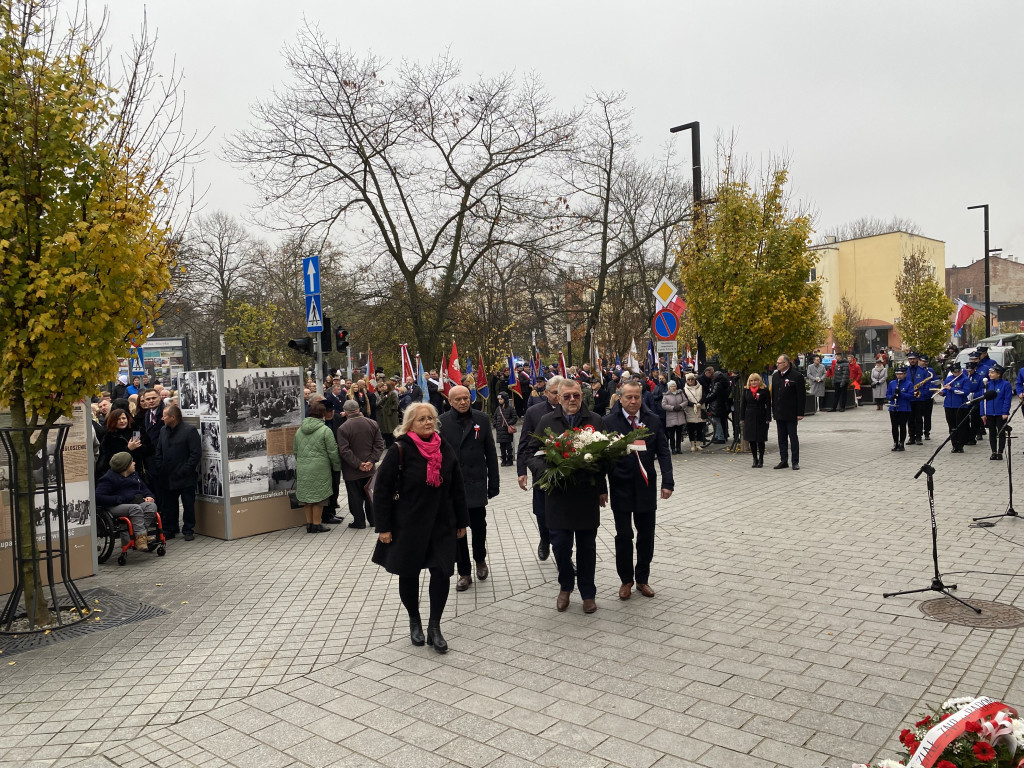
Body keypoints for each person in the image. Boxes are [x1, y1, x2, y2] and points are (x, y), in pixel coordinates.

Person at [371, 403, 469, 654]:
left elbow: (457, 486)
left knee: (441, 573)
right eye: (421, 419)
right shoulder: (399, 450)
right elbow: (381, 490)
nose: (427, 422)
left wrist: (462, 522)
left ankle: (434, 626)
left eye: (431, 418)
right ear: (410, 423)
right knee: (409, 573)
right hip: (408, 525)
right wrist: (383, 527)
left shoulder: (443, 447)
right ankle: (414, 619)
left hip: (442, 523)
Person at [524, 379, 607, 614]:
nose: (572, 400)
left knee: (587, 547)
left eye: (576, 396)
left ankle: (588, 593)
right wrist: (548, 471)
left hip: (585, 496)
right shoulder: (546, 421)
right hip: (557, 496)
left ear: (582, 396)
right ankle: (565, 586)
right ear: (558, 398)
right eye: (567, 396)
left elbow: (607, 455)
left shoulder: (595, 420)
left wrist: (602, 486)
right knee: (560, 547)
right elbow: (532, 452)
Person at [604, 380, 673, 600]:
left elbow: (663, 451)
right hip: (620, 487)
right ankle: (626, 580)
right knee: (624, 536)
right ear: (620, 398)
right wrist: (600, 487)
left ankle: (642, 579)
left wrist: (667, 482)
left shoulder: (652, 420)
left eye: (637, 397)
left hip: (645, 487)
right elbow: (601, 457)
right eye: (629, 397)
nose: (633, 401)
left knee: (646, 535)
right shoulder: (608, 422)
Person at [440, 386, 499, 592]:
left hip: (476, 483)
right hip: (454, 487)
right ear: (450, 401)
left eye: (466, 398)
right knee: (458, 532)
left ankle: (480, 560)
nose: (463, 402)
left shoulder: (481, 419)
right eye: (458, 399)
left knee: (478, 526)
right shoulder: (442, 422)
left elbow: (491, 453)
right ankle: (464, 572)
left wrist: (494, 482)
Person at [517, 375, 563, 561]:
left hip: (567, 470)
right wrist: (522, 471)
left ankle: (563, 555)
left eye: (562, 393)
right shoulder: (534, 412)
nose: (560, 398)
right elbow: (524, 443)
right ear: (546, 393)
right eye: (555, 393)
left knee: (564, 516)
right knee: (542, 512)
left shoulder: (571, 409)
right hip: (541, 469)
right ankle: (545, 539)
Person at [153, 405, 201, 540]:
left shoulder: (189, 431)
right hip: (167, 475)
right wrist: (159, 466)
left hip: (185, 476)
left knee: (187, 504)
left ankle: (188, 529)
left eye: (164, 416)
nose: (162, 418)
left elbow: (195, 454)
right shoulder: (163, 430)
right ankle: (170, 528)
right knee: (169, 505)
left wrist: (185, 469)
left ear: (173, 417)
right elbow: (159, 450)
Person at [293, 400, 341, 533]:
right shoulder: (325, 430)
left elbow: (295, 451)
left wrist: (302, 462)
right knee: (319, 497)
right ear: (322, 415)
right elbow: (333, 452)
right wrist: (337, 467)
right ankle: (317, 523)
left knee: (307, 498)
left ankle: (309, 524)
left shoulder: (299, 431)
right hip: (320, 468)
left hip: (303, 467)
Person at [336, 399, 385, 529]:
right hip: (370, 469)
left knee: (355, 497)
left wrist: (358, 464)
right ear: (358, 409)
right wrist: (371, 461)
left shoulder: (343, 428)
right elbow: (379, 444)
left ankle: (359, 521)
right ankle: (374, 520)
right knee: (370, 494)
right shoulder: (372, 423)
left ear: (345, 412)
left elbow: (344, 450)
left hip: (352, 470)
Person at [95, 452, 158, 552]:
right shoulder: (108, 479)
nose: (134, 463)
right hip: (115, 506)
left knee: (151, 506)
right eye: (131, 462)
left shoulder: (133, 475)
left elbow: (144, 488)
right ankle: (140, 538)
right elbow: (98, 497)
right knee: (135, 508)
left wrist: (149, 496)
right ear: (125, 466)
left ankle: (140, 537)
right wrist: (119, 498)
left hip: (133, 502)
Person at [769, 355, 805, 469]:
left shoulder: (796, 376)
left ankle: (795, 461)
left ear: (786, 363)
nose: (777, 364)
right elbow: (774, 395)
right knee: (781, 438)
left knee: (792, 437)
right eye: (777, 362)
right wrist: (773, 410)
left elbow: (801, 396)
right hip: (779, 412)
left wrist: (800, 413)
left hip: (791, 412)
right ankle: (783, 460)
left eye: (779, 363)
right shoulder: (775, 376)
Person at [97, 408, 152, 478]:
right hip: (120, 475)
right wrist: (128, 449)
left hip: (139, 472)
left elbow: (150, 450)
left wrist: (139, 446)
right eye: (118, 419)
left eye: (124, 418)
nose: (122, 421)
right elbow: (107, 459)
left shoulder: (138, 430)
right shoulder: (109, 436)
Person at [740, 373, 771, 468]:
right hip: (749, 415)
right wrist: (742, 418)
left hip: (761, 415)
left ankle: (761, 458)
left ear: (759, 381)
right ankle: (755, 458)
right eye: (751, 380)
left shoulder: (764, 390)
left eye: (755, 380)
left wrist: (768, 418)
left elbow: (768, 405)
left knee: (760, 439)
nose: (753, 382)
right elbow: (743, 404)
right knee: (751, 439)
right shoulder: (746, 390)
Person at [982, 364, 1013, 460]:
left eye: (992, 372)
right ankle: (993, 451)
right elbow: (982, 400)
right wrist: (983, 413)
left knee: (1001, 432)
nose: (990, 374)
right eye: (989, 372)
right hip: (990, 412)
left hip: (1000, 413)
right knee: (992, 432)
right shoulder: (987, 384)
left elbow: (1007, 399)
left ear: (998, 374)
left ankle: (1000, 452)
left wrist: (1005, 411)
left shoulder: (1005, 384)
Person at [940, 362, 969, 453]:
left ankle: (960, 445)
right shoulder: (948, 379)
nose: (957, 373)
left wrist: (951, 389)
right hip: (948, 405)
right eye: (954, 372)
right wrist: (941, 393)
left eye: (958, 371)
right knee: (951, 425)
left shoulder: (965, 379)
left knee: (960, 426)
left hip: (960, 406)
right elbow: (945, 392)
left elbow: (965, 392)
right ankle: (954, 444)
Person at [886, 365, 913, 451]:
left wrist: (901, 394)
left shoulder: (909, 383)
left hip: (904, 407)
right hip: (894, 407)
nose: (899, 376)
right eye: (897, 374)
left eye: (901, 374)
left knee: (902, 426)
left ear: (905, 374)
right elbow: (888, 394)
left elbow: (911, 396)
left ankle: (901, 443)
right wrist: (892, 397)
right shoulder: (892, 383)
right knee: (894, 426)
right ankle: (895, 442)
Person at [492, 392, 518, 466]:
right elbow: (495, 417)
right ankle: (503, 459)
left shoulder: (510, 408)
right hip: (500, 431)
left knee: (509, 447)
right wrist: (495, 424)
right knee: (502, 447)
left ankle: (509, 459)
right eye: (499, 399)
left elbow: (514, 417)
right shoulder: (498, 409)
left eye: (501, 399)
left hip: (507, 431)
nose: (500, 401)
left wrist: (509, 423)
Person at [682, 372, 705, 452]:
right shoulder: (684, 389)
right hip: (690, 410)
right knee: (691, 429)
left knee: (700, 428)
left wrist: (700, 403)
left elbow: (704, 396)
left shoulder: (701, 387)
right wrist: (693, 404)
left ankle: (698, 444)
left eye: (692, 379)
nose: (690, 380)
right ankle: (692, 445)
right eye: (689, 379)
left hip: (699, 409)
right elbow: (685, 400)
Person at [662, 380, 685, 454]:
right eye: (672, 386)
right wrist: (672, 408)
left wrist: (680, 406)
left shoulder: (680, 393)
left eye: (674, 386)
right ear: (669, 387)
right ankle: (673, 449)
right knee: (672, 435)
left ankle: (679, 448)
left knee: (679, 434)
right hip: (671, 418)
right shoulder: (666, 395)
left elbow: (685, 401)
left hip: (680, 417)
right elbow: (664, 405)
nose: (673, 387)